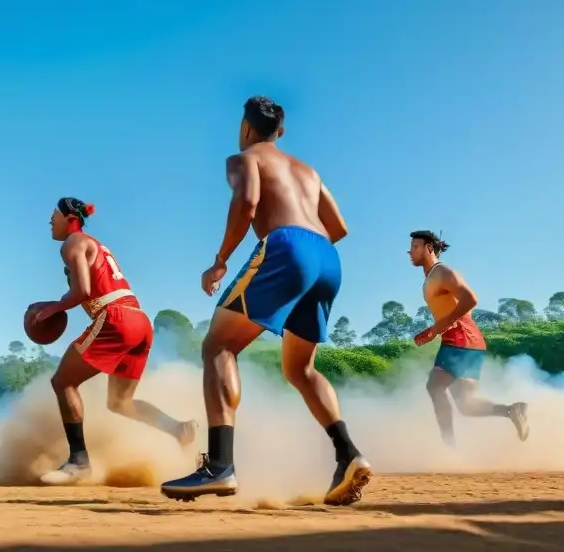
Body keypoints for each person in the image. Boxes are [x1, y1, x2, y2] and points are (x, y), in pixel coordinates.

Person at [160, 96, 371, 506]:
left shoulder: (244, 159)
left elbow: (248, 202)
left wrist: (220, 260)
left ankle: (220, 467)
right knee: (300, 369)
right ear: (282, 132)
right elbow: (339, 227)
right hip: (328, 258)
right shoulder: (308, 171)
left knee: (218, 345)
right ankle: (348, 453)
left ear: (245, 128)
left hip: (287, 246)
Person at [32, 197, 198, 486]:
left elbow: (82, 291)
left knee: (63, 382)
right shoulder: (96, 245)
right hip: (140, 320)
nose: (50, 222)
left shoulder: (73, 242)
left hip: (116, 317)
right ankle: (178, 430)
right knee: (120, 402)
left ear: (70, 219)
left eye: (53, 216)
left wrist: (50, 308)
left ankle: (78, 462)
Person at [408, 231, 529, 446]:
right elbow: (454, 308)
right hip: (466, 340)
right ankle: (511, 411)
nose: (410, 252)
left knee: (434, 386)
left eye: (415, 247)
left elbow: (470, 299)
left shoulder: (442, 272)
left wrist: (438, 328)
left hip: (460, 338)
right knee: (466, 405)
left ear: (429, 248)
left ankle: (449, 446)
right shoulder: (431, 278)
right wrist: (435, 329)